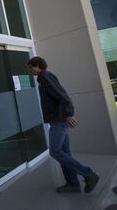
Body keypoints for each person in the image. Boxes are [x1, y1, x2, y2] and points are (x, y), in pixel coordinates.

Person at [27, 56, 100, 194]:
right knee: (65, 153)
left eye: (31, 67)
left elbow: (63, 97)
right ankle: (73, 184)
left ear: (38, 65)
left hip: (59, 121)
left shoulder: (47, 77)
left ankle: (89, 174)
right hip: (59, 120)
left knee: (55, 152)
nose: (30, 70)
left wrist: (68, 114)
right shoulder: (43, 79)